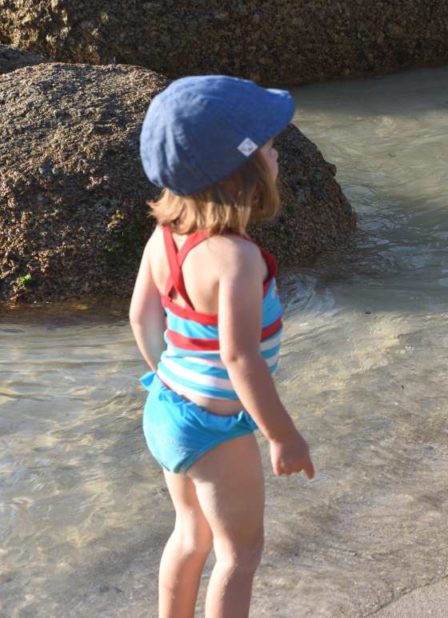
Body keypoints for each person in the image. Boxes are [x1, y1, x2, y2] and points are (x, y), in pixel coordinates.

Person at [129, 75, 315, 618]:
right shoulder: (237, 258)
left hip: (166, 409)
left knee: (191, 535)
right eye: (270, 147)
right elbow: (240, 357)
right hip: (214, 429)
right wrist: (283, 436)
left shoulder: (164, 237)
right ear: (244, 171)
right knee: (241, 551)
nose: (277, 154)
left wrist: (172, 379)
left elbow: (143, 318)